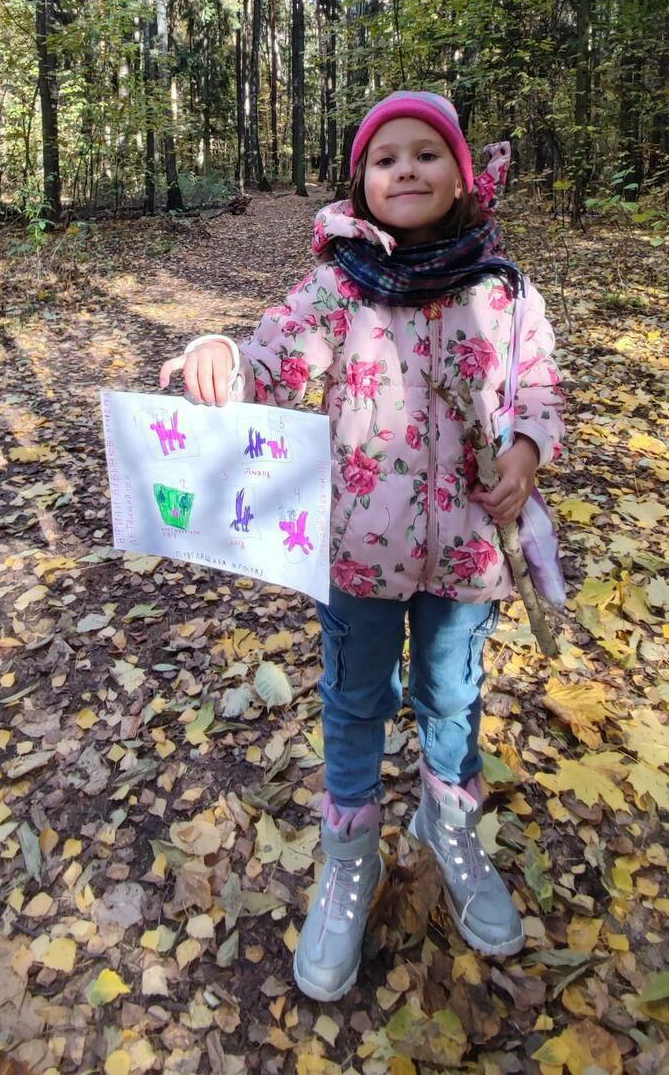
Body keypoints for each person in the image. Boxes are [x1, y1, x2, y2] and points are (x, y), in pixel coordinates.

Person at [158, 90, 565, 1003]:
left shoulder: (501, 289)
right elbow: (272, 360)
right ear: (362, 182)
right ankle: (349, 854)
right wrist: (218, 354)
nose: (406, 168)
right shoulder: (339, 286)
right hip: (354, 551)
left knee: (452, 693)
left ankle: (447, 824)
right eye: (386, 158)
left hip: (467, 552)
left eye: (427, 153)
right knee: (352, 700)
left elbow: (538, 385)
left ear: (461, 176)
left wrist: (528, 451)